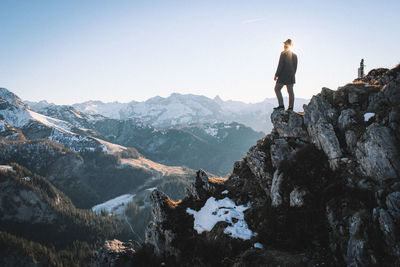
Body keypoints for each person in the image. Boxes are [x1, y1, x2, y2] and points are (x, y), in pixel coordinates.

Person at [273, 39, 298, 111]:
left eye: (285, 44)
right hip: (291, 76)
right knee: (290, 91)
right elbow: (295, 67)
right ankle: (291, 108)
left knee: (277, 89)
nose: (284, 46)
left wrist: (276, 74)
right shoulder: (295, 55)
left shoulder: (283, 53)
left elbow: (280, 65)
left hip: (283, 75)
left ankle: (281, 106)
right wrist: (292, 75)